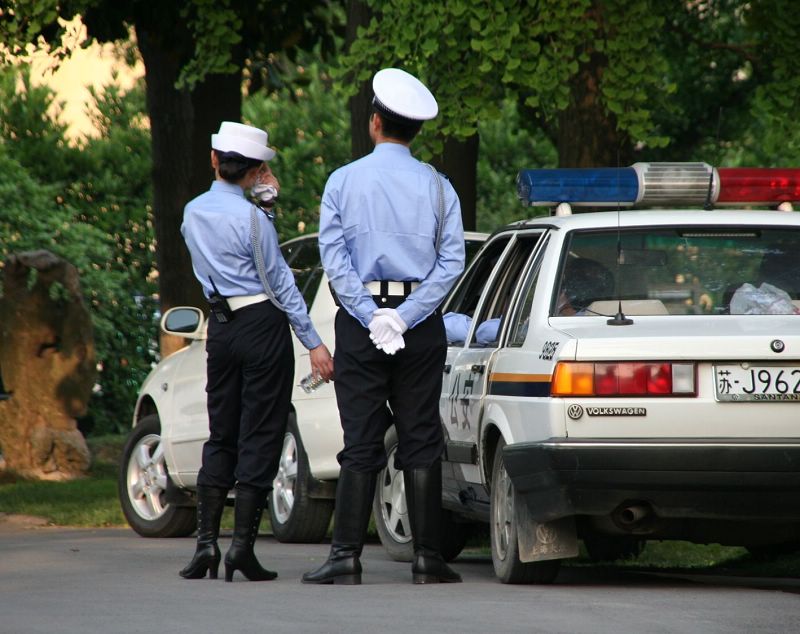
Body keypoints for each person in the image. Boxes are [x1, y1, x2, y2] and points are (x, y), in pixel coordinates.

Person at [303, 68, 465, 586]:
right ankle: (426, 558)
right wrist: (404, 316)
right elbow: (451, 264)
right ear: (414, 131)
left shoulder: (342, 181)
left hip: (359, 322)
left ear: (375, 123)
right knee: (420, 434)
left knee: (361, 437)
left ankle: (345, 557)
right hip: (418, 326)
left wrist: (370, 314)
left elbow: (335, 258)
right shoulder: (441, 189)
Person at [179, 121, 334, 582]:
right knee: (262, 433)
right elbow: (279, 280)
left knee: (221, 432)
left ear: (214, 161)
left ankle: (205, 545)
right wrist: (314, 343)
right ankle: (241, 549)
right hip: (262, 325)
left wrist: (260, 206)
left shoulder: (191, 212)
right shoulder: (251, 218)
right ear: (255, 172)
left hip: (220, 329)